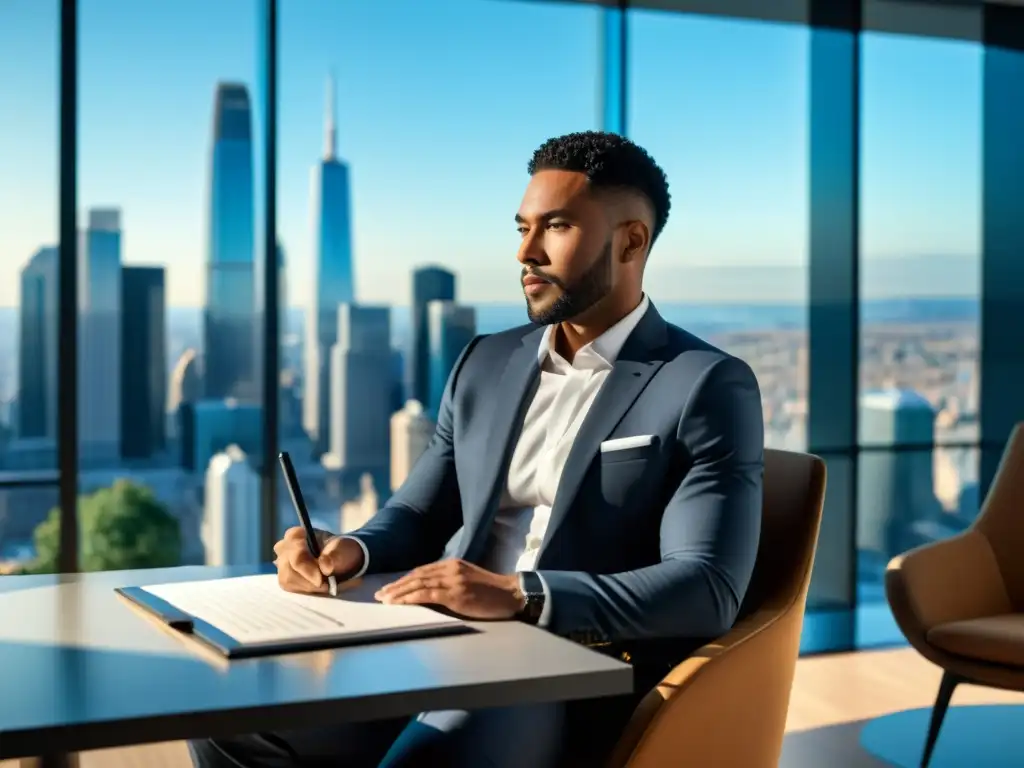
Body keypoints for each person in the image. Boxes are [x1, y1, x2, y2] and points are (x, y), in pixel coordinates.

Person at [189, 130, 764, 768]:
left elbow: (707, 585)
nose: (526, 251)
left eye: (557, 227)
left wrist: (524, 594)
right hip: (432, 639)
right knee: (227, 721)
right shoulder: (485, 362)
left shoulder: (705, 382)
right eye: (522, 227)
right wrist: (351, 550)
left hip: (561, 667)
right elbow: (418, 513)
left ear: (632, 240)